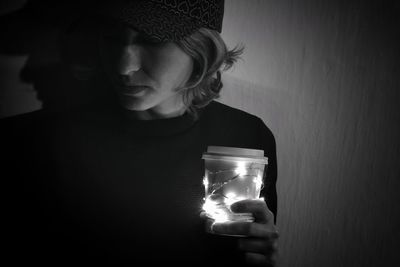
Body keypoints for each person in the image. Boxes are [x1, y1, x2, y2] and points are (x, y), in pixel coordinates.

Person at [1, 0, 278, 266]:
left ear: (201, 48)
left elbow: (245, 251)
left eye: (151, 39)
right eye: (112, 37)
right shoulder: (36, 142)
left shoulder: (245, 137)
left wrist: (255, 252)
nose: (124, 67)